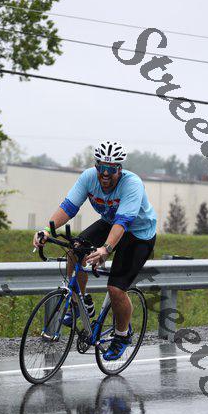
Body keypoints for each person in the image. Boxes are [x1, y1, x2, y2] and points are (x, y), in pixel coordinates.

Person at [33, 140, 157, 361]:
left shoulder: (132, 184)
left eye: (111, 169)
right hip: (110, 223)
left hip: (138, 234)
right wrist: (46, 231)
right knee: (75, 250)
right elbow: (68, 207)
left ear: (120, 169)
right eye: (102, 167)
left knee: (116, 289)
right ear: (97, 166)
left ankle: (122, 335)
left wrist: (105, 249)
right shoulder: (89, 177)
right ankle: (81, 303)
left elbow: (122, 223)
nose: (105, 174)